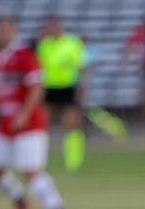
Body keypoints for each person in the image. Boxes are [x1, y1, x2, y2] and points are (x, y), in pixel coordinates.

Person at [0, 16, 71, 209]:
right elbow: (1, 88)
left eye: (6, 29)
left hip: (29, 124)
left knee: (31, 171)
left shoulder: (24, 56)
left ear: (14, 32)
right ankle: (21, 202)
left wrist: (24, 113)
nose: (1, 33)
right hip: (6, 124)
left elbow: (37, 88)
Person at [37, 17, 89, 172]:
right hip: (49, 88)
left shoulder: (72, 43)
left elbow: (81, 66)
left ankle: (73, 162)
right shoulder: (44, 45)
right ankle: (38, 159)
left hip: (68, 87)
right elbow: (40, 68)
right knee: (42, 124)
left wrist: (82, 85)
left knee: (72, 124)